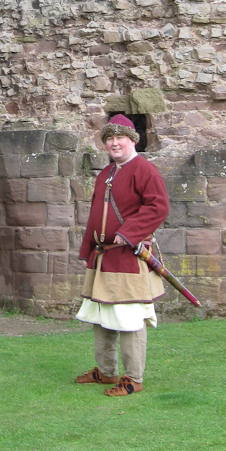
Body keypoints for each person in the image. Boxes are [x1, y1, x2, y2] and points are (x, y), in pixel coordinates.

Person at [75, 114, 169, 396]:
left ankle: (133, 379)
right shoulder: (106, 173)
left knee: (129, 318)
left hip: (127, 257)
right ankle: (105, 372)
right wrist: (87, 250)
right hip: (103, 258)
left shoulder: (144, 170)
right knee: (101, 315)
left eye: (120, 138)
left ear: (132, 140)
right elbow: (95, 217)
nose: (114, 143)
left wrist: (129, 233)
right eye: (110, 139)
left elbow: (158, 207)